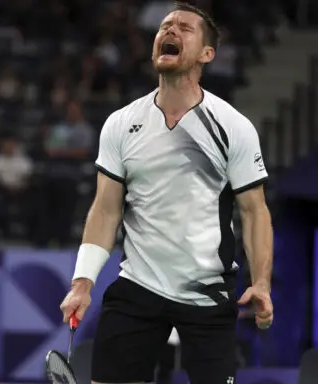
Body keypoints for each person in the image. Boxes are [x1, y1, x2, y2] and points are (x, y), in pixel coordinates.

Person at [59, 3, 274, 384]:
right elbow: (106, 211)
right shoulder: (122, 124)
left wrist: (261, 282)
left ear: (207, 54)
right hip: (139, 286)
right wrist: (82, 282)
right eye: (165, 26)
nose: (170, 31)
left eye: (185, 27)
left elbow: (254, 211)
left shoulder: (232, 128)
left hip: (207, 294)